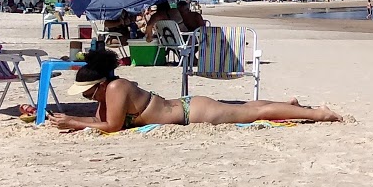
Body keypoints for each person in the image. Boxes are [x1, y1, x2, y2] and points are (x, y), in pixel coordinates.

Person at [48, 48, 341, 131]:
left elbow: (111, 126)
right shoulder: (110, 90)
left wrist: (73, 121)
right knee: (249, 109)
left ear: (99, 85)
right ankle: (291, 103)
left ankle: (319, 114)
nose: (88, 99)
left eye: (88, 93)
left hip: (194, 112)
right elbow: (100, 121)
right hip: (189, 106)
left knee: (255, 112)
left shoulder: (115, 88)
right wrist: (66, 121)